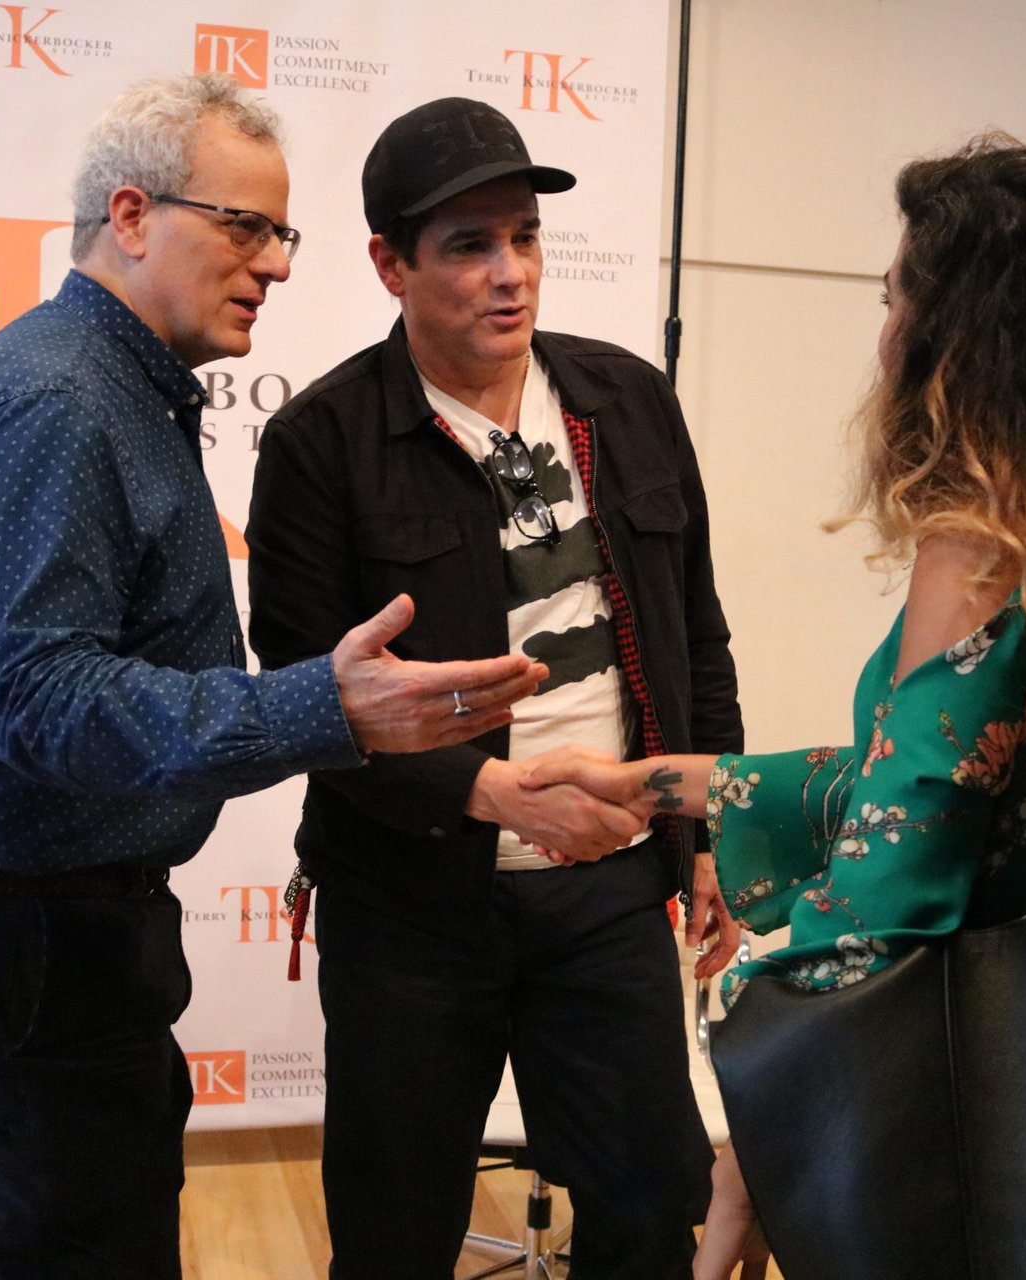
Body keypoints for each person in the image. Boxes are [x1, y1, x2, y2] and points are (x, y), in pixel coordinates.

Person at [519, 135, 1026, 1278]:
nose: (886, 328)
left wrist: (751, 1158)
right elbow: (942, 790)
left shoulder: (981, 548)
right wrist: (660, 782)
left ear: (967, 340)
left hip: (976, 1101)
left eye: (894, 294)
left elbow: (893, 877)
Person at [0, 74, 544, 1280]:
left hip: (44, 924)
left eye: (281, 231)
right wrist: (328, 703)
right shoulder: (58, 396)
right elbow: (45, 702)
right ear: (130, 214)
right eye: (243, 226)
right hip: (25, 934)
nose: (273, 262)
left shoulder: (117, 385)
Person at [244, 97, 744, 1278]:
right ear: (389, 264)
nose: (509, 273)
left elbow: (696, 636)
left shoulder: (628, 402)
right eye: (469, 245)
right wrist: (499, 796)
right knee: (396, 1226)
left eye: (524, 237)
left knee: (646, 1205)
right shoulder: (320, 443)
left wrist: (706, 826)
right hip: (413, 906)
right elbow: (313, 704)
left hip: (613, 889)